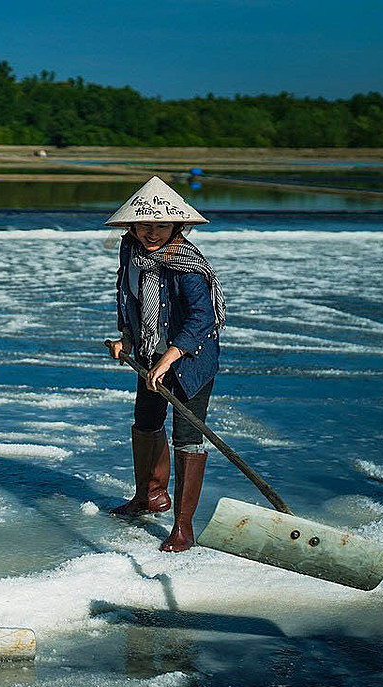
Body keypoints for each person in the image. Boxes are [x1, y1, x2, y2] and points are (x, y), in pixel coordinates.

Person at [105, 176, 225, 552]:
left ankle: (183, 528)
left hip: (191, 359)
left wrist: (171, 356)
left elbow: (202, 318)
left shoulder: (185, 262)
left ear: (177, 225)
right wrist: (127, 337)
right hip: (149, 351)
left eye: (160, 225)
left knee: (187, 437)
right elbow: (127, 296)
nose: (152, 232)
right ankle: (150, 496)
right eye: (144, 224)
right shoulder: (131, 250)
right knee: (146, 423)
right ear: (131, 225)